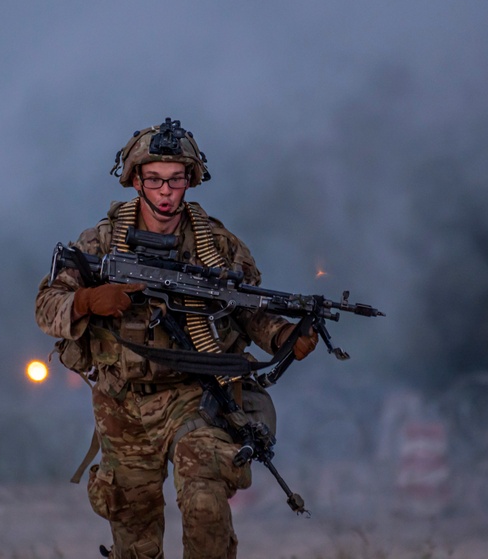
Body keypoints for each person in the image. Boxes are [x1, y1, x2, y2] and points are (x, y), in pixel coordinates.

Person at [35, 117, 317, 559]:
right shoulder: (102, 243)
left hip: (195, 394)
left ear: (190, 180)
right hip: (122, 402)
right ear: (135, 181)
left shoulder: (217, 246)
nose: (166, 192)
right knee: (134, 531)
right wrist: (89, 300)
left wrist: (284, 335)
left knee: (205, 501)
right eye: (155, 180)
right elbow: (47, 308)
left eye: (176, 180)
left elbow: (244, 308)